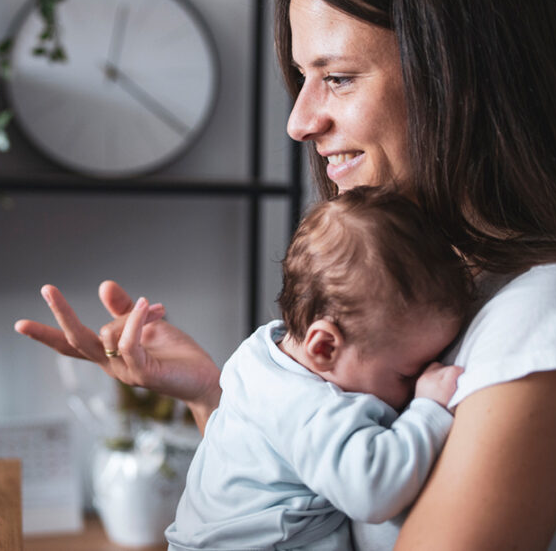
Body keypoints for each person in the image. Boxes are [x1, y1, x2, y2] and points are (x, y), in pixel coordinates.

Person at [15, 0, 556, 550]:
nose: (300, 121)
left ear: (454, 76)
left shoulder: (543, 319)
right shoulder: (438, 285)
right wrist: (213, 394)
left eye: (335, 78)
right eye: (302, 78)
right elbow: (311, 501)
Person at [166, 187, 469, 550]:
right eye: (406, 374)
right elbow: (373, 491)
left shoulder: (260, 354)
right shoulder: (307, 406)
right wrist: (429, 411)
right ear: (324, 346)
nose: (418, 382)